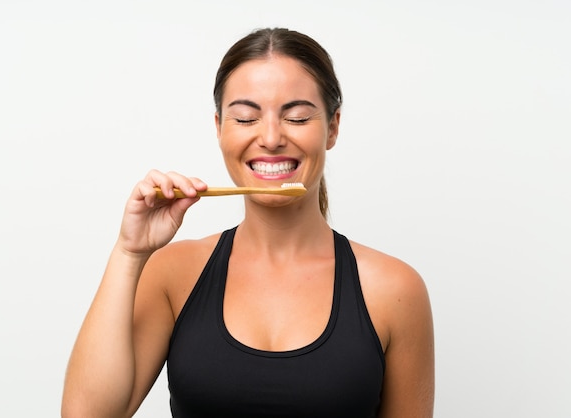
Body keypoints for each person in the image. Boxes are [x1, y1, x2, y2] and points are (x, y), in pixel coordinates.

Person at [61, 27, 434, 418]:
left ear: (333, 127)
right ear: (219, 127)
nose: (271, 138)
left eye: (297, 116)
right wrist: (129, 252)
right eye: (245, 118)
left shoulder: (395, 290)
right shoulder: (173, 273)